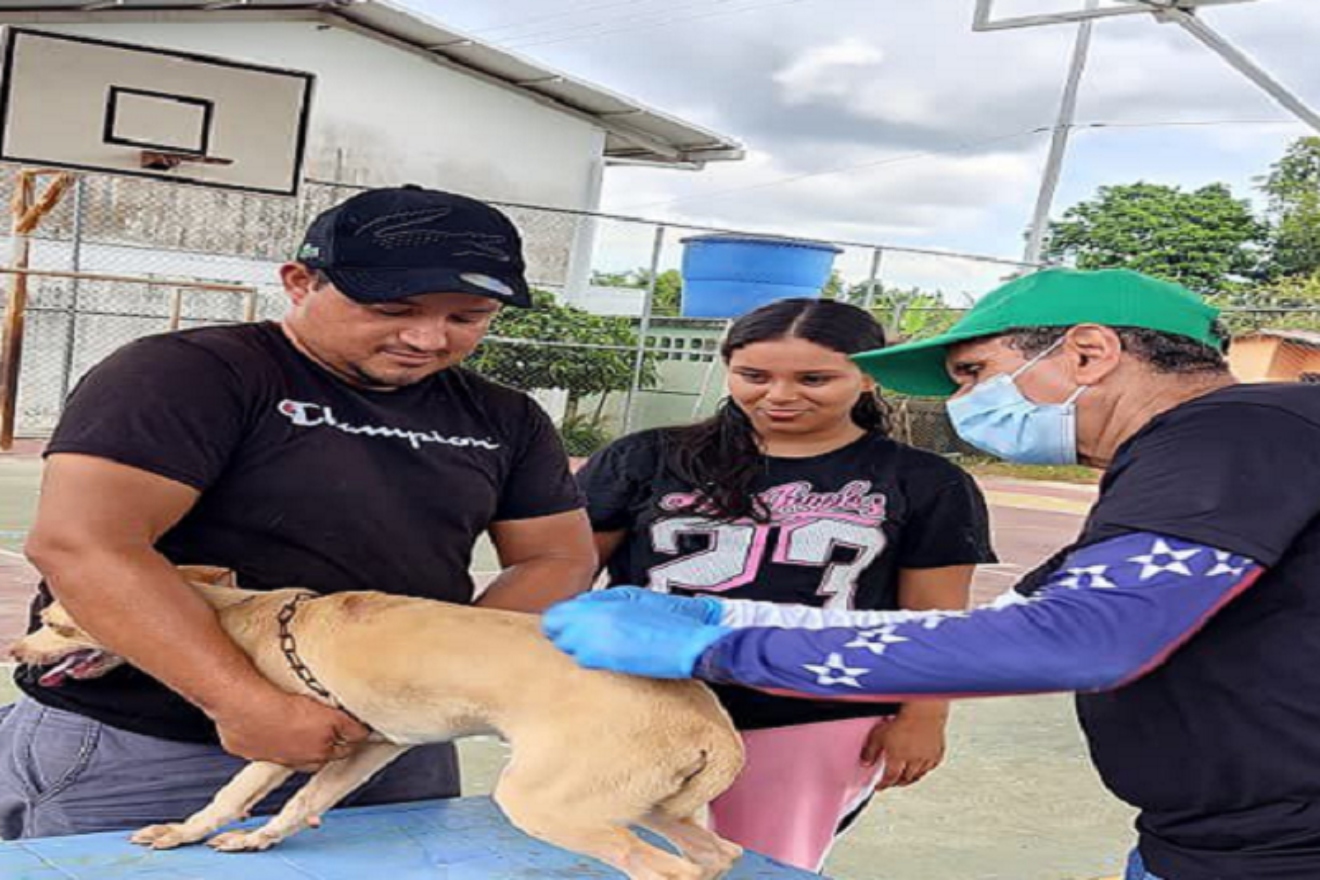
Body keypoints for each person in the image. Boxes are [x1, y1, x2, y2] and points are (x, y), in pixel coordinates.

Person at [544, 268, 1320, 880]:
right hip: (1231, 838)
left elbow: (1078, 639)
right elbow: (1014, 618)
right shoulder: (1225, 446)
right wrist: (731, 625)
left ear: (1089, 352)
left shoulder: (1232, 432)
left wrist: (722, 640)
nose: (967, 398)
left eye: (976, 370)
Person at [0, 185, 596, 840]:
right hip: (160, 745)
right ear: (299, 281)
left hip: (388, 748)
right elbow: (83, 544)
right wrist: (241, 701)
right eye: (393, 307)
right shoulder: (188, 375)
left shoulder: (505, 417)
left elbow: (557, 555)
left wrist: (438, 669)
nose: (428, 337)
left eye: (468, 316)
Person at [574, 297, 995, 871]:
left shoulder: (927, 482)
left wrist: (925, 717)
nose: (779, 395)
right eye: (754, 376)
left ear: (869, 375)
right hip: (643, 700)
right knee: (610, 857)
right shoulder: (645, 457)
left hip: (813, 713)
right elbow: (568, 577)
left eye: (814, 378)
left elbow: (933, 616)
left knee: (765, 863)